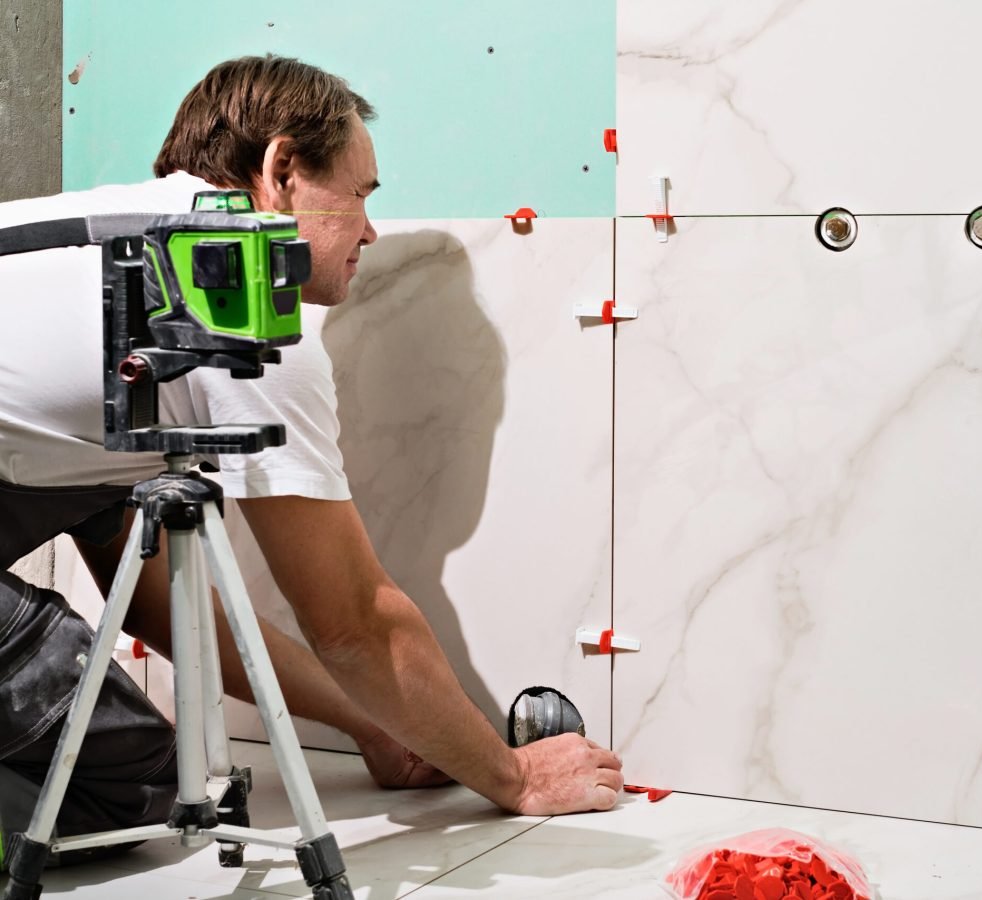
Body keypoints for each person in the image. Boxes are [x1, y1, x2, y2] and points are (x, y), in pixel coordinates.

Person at [0, 54, 624, 830]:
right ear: (282, 169)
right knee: (126, 781)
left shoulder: (103, 252)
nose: (369, 229)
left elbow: (169, 608)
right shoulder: (229, 286)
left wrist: (377, 724)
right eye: (358, 194)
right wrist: (513, 778)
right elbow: (352, 620)